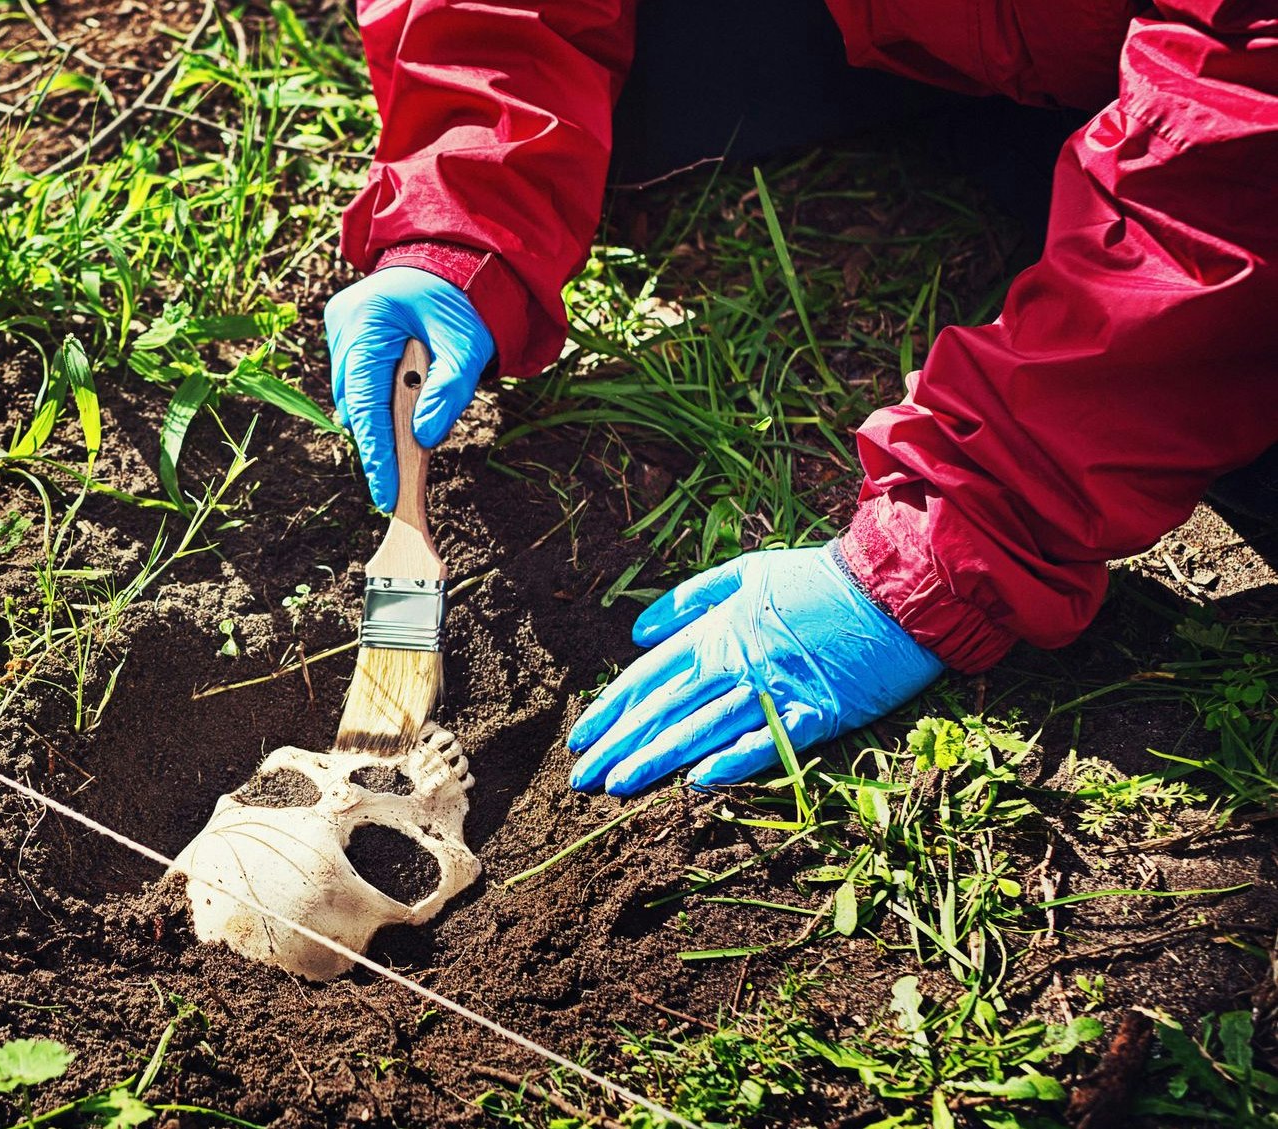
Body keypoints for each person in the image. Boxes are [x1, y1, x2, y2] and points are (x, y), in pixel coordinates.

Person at [322, 0, 1278, 797]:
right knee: (649, 83)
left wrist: (965, 530)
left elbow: (1231, 167)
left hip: (1210, 119)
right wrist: (459, 219)